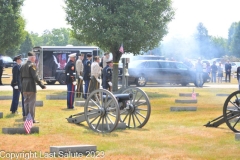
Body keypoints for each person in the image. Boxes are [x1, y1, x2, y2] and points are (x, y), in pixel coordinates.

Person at [20, 51, 46, 123]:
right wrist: (42, 85)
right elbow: (35, 77)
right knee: (31, 103)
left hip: (24, 86)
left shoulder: (22, 65)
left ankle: (26, 117)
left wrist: (21, 86)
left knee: (26, 102)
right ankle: (31, 119)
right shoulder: (32, 65)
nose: (35, 59)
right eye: (34, 58)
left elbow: (20, 77)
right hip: (31, 85)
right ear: (32, 58)